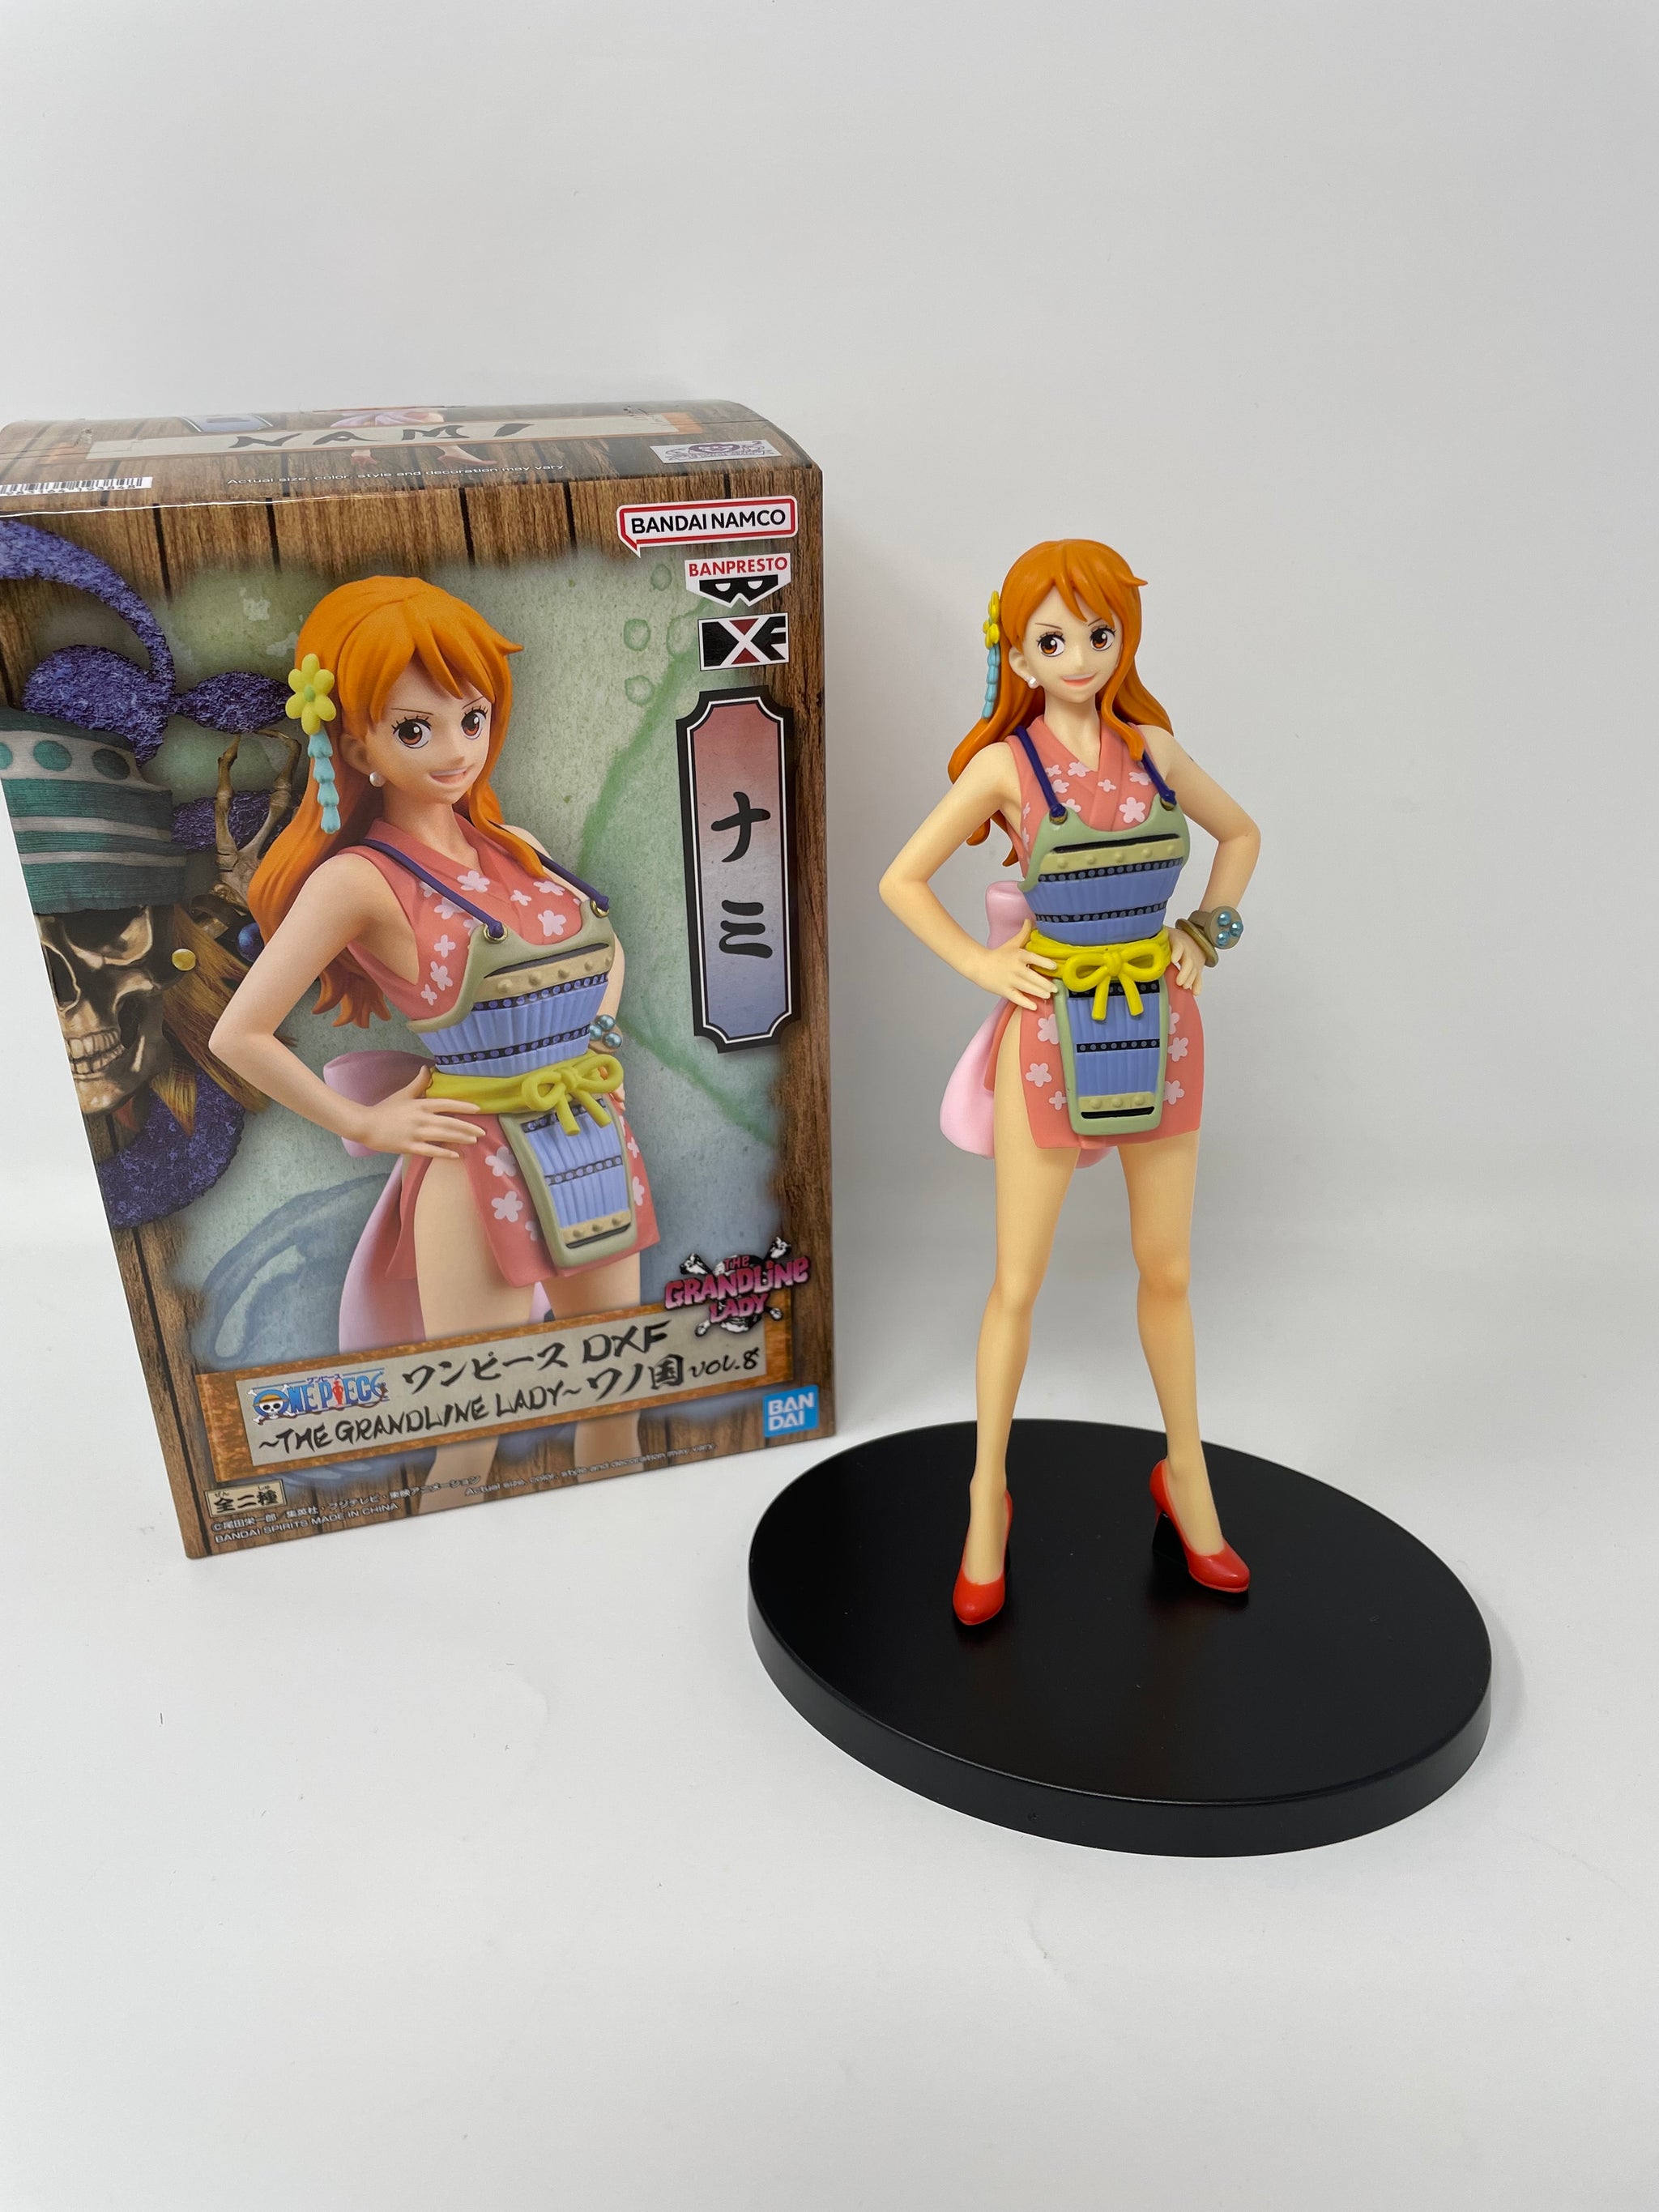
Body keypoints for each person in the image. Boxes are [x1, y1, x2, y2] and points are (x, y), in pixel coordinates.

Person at [211, 576, 657, 1511]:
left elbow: (604, 947)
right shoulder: (359, 881)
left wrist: (591, 1033)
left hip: (591, 1134)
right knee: (473, 1424)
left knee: (612, 1389)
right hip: (474, 1153)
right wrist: (365, 1124)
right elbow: (239, 1033)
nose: (455, 749)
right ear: (355, 744)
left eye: (472, 718)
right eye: (414, 728)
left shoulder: (514, 845)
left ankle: (620, 1549)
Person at [879, 539, 1259, 1620]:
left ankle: (1186, 1472)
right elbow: (902, 879)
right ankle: (984, 1492)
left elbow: (1241, 834)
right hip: (1049, 1034)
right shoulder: (1007, 769)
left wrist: (1206, 930)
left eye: (1098, 633)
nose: (1080, 656)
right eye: (1053, 640)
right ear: (1016, 654)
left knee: (1167, 1268)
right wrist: (981, 965)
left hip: (1162, 1023)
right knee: (1017, 1279)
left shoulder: (1156, 752)